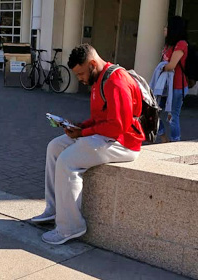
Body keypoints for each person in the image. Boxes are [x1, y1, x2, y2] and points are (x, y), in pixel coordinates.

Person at [30, 43, 144, 245]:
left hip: (124, 143)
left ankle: (70, 227)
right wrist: (79, 127)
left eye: (81, 73)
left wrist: (83, 133)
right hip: (109, 136)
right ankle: (54, 209)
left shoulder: (116, 82)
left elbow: (118, 126)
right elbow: (101, 119)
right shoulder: (100, 79)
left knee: (67, 161)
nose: (80, 79)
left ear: (92, 63)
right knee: (55, 147)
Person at [158, 16, 188, 143]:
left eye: (167, 26)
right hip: (165, 87)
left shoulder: (181, 44)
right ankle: (164, 139)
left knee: (173, 117)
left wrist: (160, 69)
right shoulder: (168, 45)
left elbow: (171, 66)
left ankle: (175, 142)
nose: (164, 29)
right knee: (154, 113)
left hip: (177, 87)